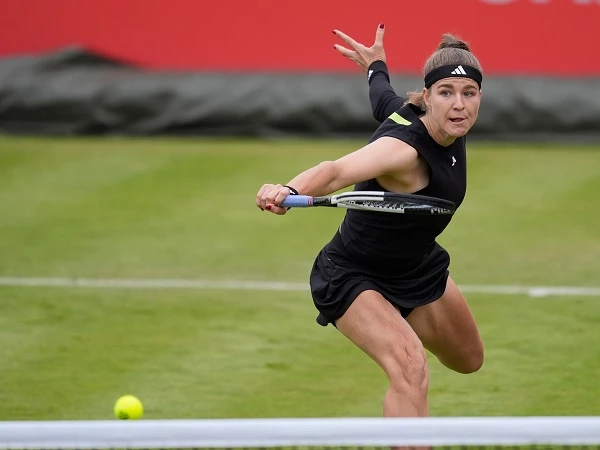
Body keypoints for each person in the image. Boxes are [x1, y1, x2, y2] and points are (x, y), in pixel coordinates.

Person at [255, 25, 484, 420]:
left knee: (469, 359)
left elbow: (383, 100)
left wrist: (375, 67)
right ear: (427, 97)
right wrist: (288, 189)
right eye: (446, 93)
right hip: (353, 273)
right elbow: (335, 171)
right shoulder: (401, 151)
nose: (459, 105)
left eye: (469, 93)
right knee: (411, 368)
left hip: (417, 265)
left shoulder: (435, 120)